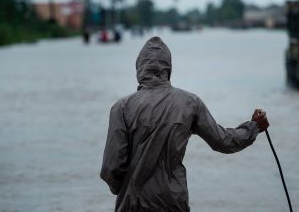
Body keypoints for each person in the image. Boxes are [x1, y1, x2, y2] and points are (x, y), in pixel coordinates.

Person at [100, 37, 270, 212]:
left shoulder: (121, 108)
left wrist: (125, 187)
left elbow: (110, 169)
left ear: (139, 68)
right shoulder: (190, 103)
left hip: (132, 205)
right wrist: (254, 127)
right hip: (173, 202)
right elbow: (224, 141)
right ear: (168, 68)